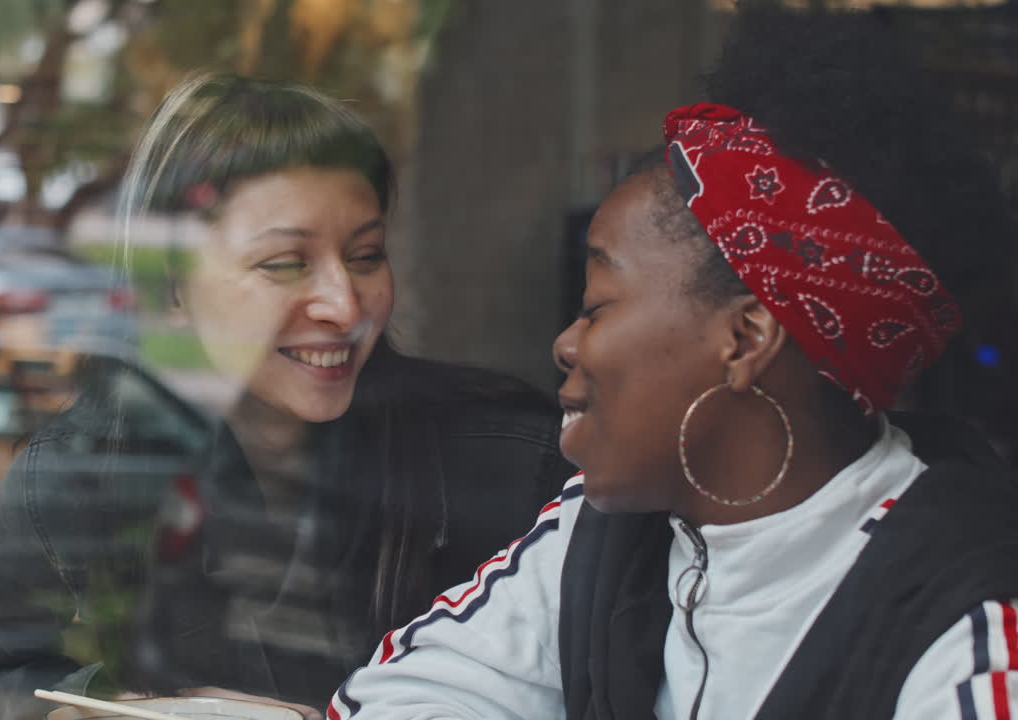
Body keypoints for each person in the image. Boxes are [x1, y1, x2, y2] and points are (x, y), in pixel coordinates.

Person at [328, 6, 1018, 719]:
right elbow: (403, 697)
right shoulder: (603, 530)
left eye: (597, 305)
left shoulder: (969, 630)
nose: (566, 343)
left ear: (747, 339)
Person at [0, 73, 574, 719]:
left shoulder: (513, 462)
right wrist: (102, 707)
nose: (344, 304)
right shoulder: (83, 472)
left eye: (365, 255)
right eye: (284, 264)